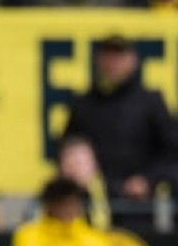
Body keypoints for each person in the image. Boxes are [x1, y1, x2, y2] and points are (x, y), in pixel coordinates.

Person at [62, 35, 178, 205]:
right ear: (98, 60)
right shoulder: (84, 104)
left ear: (133, 61)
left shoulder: (150, 102)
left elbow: (171, 151)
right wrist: (75, 165)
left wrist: (148, 179)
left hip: (138, 203)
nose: (113, 63)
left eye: (119, 57)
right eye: (108, 57)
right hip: (92, 199)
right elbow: (67, 145)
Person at [56, 135, 111, 230]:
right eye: (69, 164)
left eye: (79, 163)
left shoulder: (114, 195)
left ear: (95, 165)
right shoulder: (51, 201)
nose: (75, 169)